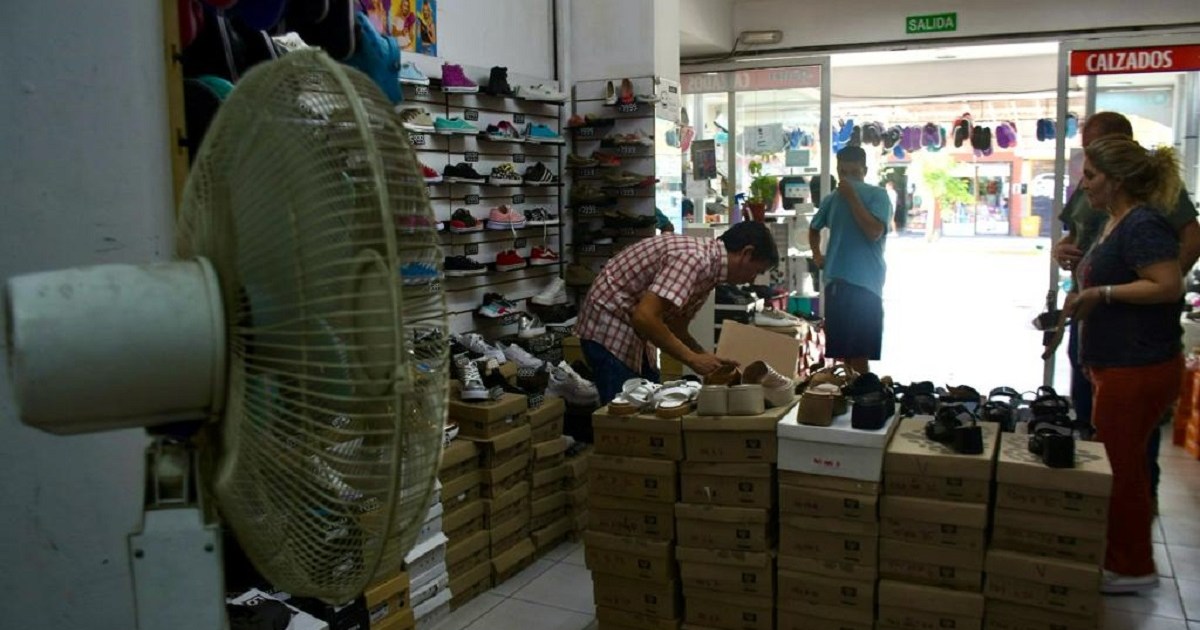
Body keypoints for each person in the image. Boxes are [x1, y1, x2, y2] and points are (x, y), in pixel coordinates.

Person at [1052, 112, 1200, 505]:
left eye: (1093, 164)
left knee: (1126, 456)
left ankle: (1130, 527)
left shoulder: (1144, 214)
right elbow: (1075, 239)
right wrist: (1067, 256)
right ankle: (1097, 508)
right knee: (1096, 431)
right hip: (1097, 335)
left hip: (1133, 349)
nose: (1086, 177)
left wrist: (1136, 289)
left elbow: (1171, 271)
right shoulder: (1108, 209)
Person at [1063, 136, 1185, 594]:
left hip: (1138, 365)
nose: (1084, 183)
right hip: (1114, 362)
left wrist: (1101, 294)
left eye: (1091, 175)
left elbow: (1167, 283)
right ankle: (1120, 554)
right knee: (1118, 461)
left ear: (1116, 181)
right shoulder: (1114, 221)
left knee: (1121, 466)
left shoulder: (1143, 223)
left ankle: (1133, 566)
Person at [574, 222, 778, 404]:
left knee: (649, 402)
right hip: (610, 324)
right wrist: (692, 359)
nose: (753, 280)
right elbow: (645, 318)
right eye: (757, 271)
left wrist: (705, 357)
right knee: (625, 412)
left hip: (632, 327)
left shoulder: (710, 270)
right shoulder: (694, 259)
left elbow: (676, 326)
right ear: (746, 254)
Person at [808, 146, 893, 374]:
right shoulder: (831, 200)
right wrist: (817, 254)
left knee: (859, 354)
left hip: (866, 285)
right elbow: (814, 228)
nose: (848, 179)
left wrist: (852, 196)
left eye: (854, 173)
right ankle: (851, 400)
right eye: (843, 173)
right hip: (836, 283)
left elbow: (874, 231)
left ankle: (864, 400)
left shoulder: (878, 196)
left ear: (865, 170)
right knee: (844, 355)